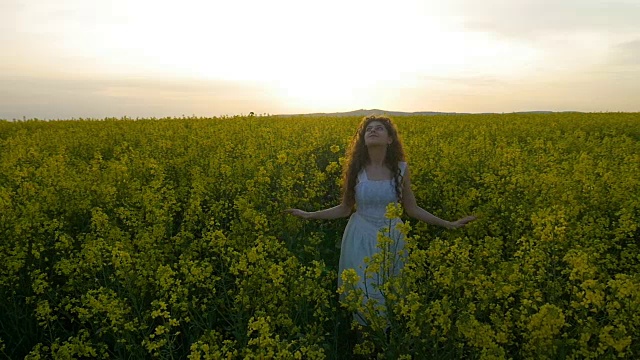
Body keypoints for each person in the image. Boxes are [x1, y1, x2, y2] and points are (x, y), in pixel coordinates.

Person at [285, 115, 476, 324]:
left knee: (390, 294)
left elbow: (412, 209)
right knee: (363, 293)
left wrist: (448, 224)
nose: (373, 131)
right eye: (368, 129)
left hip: (392, 237)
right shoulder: (356, 170)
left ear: (390, 139)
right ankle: (363, 344)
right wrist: (309, 215)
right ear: (363, 139)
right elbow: (345, 208)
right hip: (360, 237)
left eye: (379, 128)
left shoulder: (401, 169)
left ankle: (381, 343)